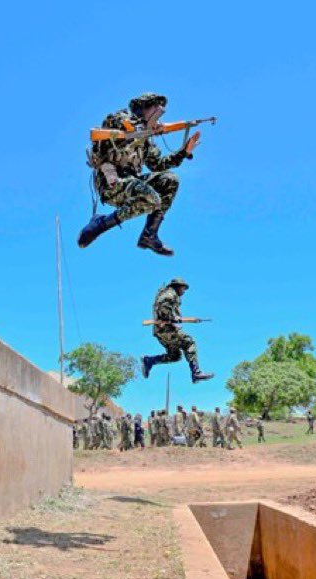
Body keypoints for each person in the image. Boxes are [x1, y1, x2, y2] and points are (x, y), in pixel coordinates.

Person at [79, 93, 201, 256]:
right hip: (112, 183)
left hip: (132, 183)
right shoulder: (119, 119)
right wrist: (138, 129)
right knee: (152, 199)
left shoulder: (146, 141)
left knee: (170, 180)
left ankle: (149, 235)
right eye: (155, 108)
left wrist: (183, 152)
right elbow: (103, 135)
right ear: (143, 107)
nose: (159, 112)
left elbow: (159, 165)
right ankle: (101, 224)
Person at [141, 278, 213, 383]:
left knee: (175, 356)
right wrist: (172, 318)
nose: (184, 291)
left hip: (161, 332)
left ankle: (149, 360)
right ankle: (196, 373)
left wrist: (174, 320)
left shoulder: (171, 295)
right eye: (183, 289)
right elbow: (162, 309)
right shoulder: (170, 295)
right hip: (165, 330)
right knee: (189, 342)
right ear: (178, 286)